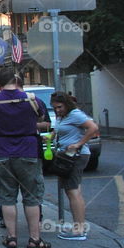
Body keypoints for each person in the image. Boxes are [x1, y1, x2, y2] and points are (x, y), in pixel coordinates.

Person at [0, 68, 50, 248]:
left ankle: (11, 237)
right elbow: (42, 118)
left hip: (2, 152)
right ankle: (35, 239)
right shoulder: (32, 100)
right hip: (29, 151)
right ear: (17, 80)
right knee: (32, 197)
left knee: (7, 197)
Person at [50, 91, 99, 240]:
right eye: (55, 108)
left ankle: (79, 230)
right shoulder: (63, 116)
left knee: (73, 191)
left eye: (59, 107)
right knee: (73, 190)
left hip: (76, 156)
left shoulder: (75, 114)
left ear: (66, 104)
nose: (57, 110)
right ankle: (78, 226)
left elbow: (93, 128)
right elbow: (60, 131)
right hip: (66, 156)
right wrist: (52, 136)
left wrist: (78, 144)